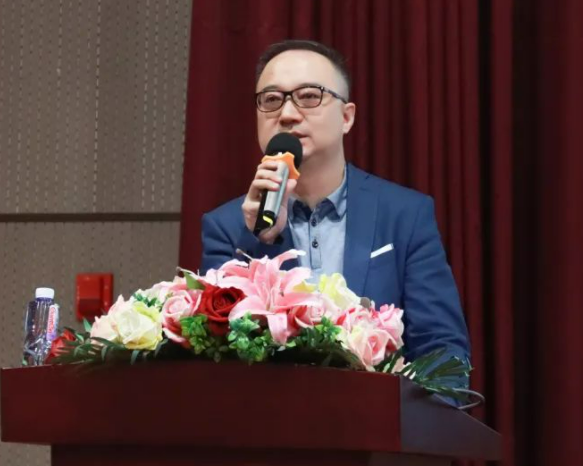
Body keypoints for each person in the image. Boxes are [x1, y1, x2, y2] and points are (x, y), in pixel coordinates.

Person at [200, 39, 470, 368]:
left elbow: (441, 349)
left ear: (346, 117)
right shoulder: (226, 228)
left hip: (379, 401)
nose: (286, 114)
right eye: (271, 100)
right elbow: (217, 354)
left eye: (308, 96)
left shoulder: (405, 215)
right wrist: (260, 237)